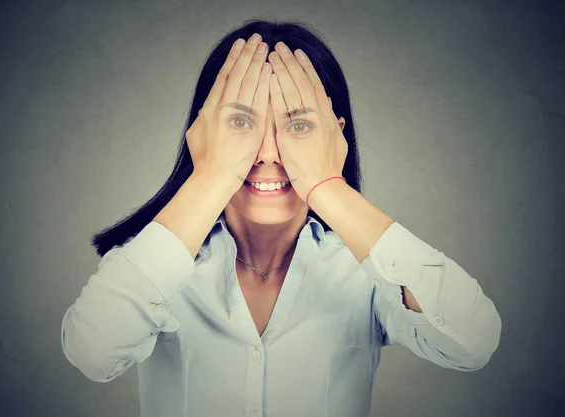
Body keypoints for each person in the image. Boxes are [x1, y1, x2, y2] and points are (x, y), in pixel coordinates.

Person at [61, 18, 502, 417]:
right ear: (202, 131)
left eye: (298, 126)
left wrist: (327, 185)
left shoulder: (368, 274)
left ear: (336, 137)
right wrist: (212, 176)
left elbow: (473, 340)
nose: (269, 154)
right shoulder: (153, 265)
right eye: (240, 123)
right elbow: (92, 351)